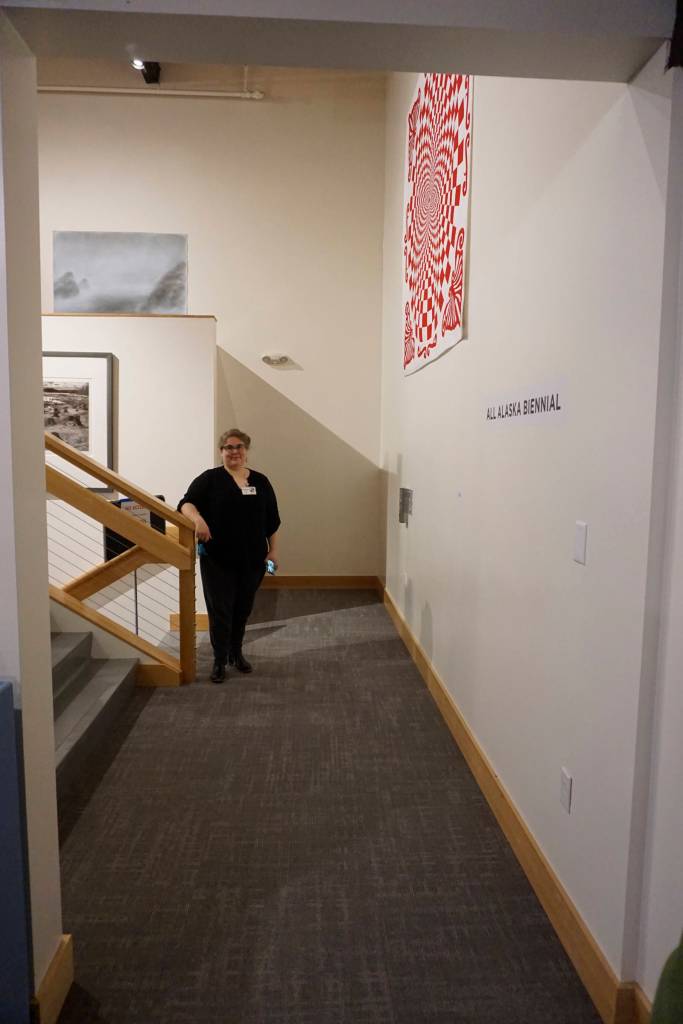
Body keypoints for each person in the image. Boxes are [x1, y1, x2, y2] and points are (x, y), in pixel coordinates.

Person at [178, 428, 280, 683]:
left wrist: (273, 551)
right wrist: (198, 520)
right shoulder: (210, 479)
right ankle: (219, 660)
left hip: (253, 560)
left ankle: (236, 653)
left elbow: (272, 521)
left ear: (246, 451)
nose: (234, 452)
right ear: (221, 451)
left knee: (242, 609)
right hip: (218, 559)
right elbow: (186, 504)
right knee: (221, 611)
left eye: (239, 447)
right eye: (228, 447)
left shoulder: (261, 481)